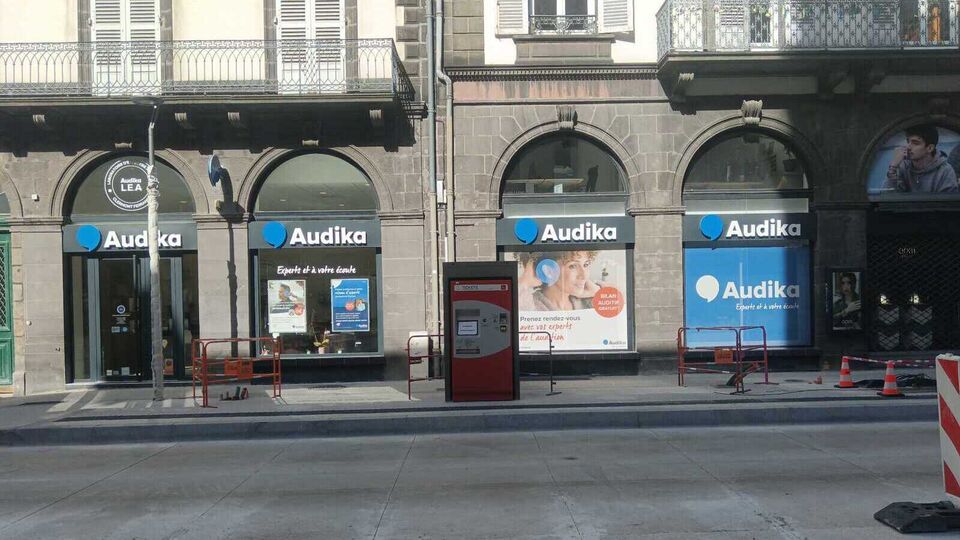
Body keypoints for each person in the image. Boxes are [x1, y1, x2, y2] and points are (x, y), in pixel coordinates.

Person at [884, 125, 959, 193]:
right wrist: (893, 167)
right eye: (908, 142)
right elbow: (888, 198)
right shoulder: (902, 166)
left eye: (915, 143)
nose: (908, 147)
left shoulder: (945, 171)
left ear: (930, 148)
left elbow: (947, 205)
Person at [531, 250, 601, 311]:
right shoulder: (529, 306)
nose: (584, 276)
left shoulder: (589, 301)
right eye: (572, 266)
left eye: (586, 264)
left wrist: (597, 291)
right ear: (548, 271)